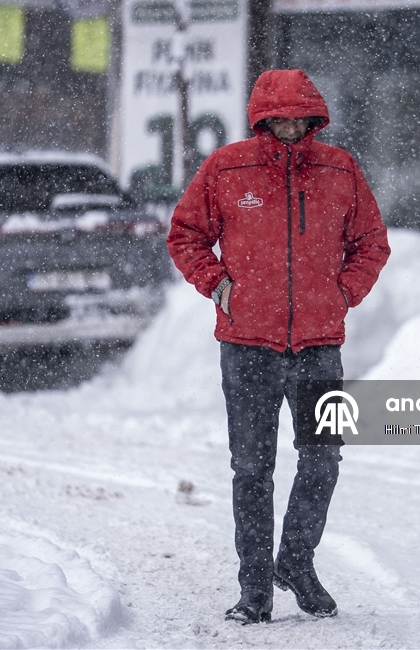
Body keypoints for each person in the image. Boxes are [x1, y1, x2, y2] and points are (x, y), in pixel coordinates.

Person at [167, 69, 390, 624]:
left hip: (319, 343)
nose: (291, 127)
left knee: (323, 459)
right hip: (247, 345)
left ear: (315, 118)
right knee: (252, 469)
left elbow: (371, 244)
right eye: (279, 118)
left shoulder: (340, 170)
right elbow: (185, 235)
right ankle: (254, 590)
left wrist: (342, 294)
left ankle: (294, 560)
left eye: (300, 117)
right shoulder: (226, 168)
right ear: (261, 119)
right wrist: (220, 286)